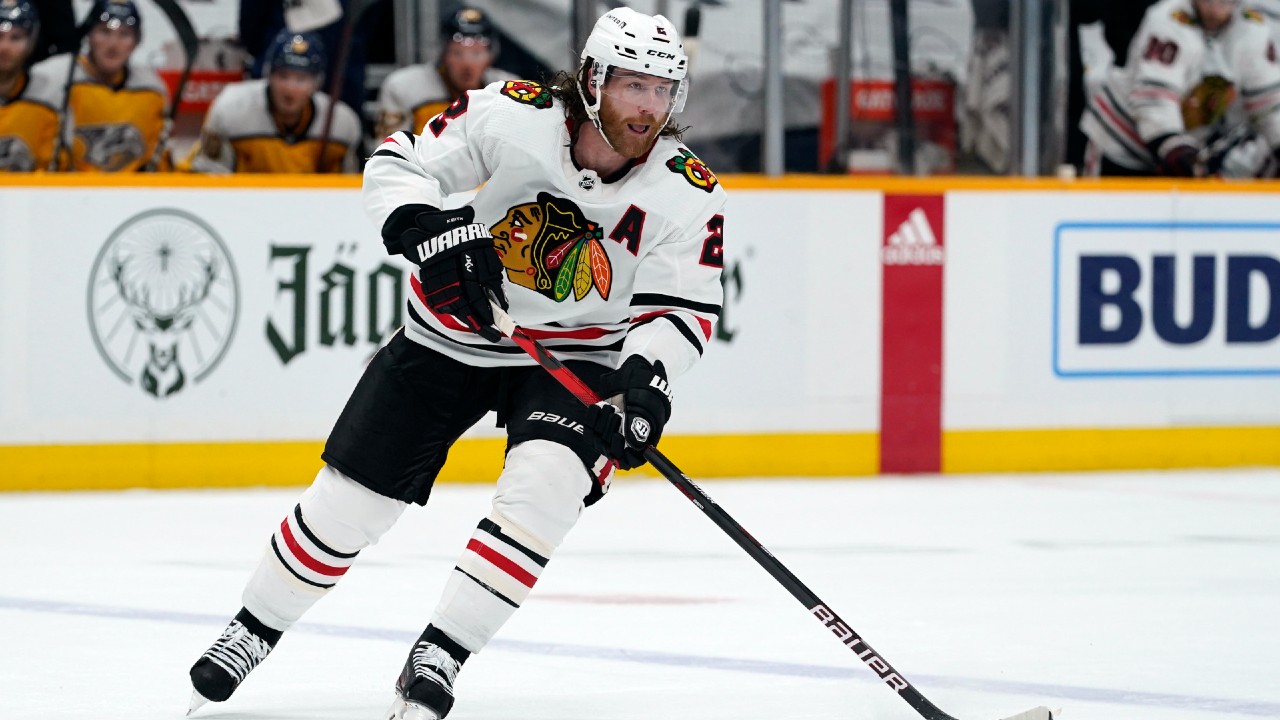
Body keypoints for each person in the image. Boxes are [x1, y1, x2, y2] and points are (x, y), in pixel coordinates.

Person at [187, 7, 725, 720]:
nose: (650, 107)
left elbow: (682, 309)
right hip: (453, 333)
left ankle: (443, 650)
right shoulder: (513, 115)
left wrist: (647, 380)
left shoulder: (687, 190)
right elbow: (399, 161)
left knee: (545, 489)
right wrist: (426, 228)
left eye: (663, 90)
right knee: (351, 500)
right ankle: (254, 627)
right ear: (593, 80)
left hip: (577, 354)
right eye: (634, 86)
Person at [1079, 0, 1280, 176]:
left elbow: (1270, 104)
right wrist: (1174, 147)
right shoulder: (1168, 19)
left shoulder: (1253, 28)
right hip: (1121, 142)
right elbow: (1154, 98)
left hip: (1181, 147)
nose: (1215, 6)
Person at [184, 29, 362, 173]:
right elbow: (208, 180)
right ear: (268, 76)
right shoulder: (231, 110)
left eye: (301, 79)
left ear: (317, 83)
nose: (290, 88)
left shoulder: (342, 124)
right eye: (283, 76)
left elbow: (346, 192)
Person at [27, 0, 169, 171]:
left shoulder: (151, 88)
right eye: (104, 32)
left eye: (124, 34)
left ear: (136, 42)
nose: (113, 44)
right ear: (89, 35)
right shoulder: (51, 77)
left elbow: (156, 161)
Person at [374, 6, 515, 138]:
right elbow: (387, 149)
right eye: (457, 53)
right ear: (444, 55)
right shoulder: (403, 87)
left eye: (476, 54)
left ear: (491, 57)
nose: (467, 64)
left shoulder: (510, 90)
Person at [0, 0, 59, 171]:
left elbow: (50, 171)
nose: (4, 47)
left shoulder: (47, 100)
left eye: (16, 37)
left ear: (31, 42)